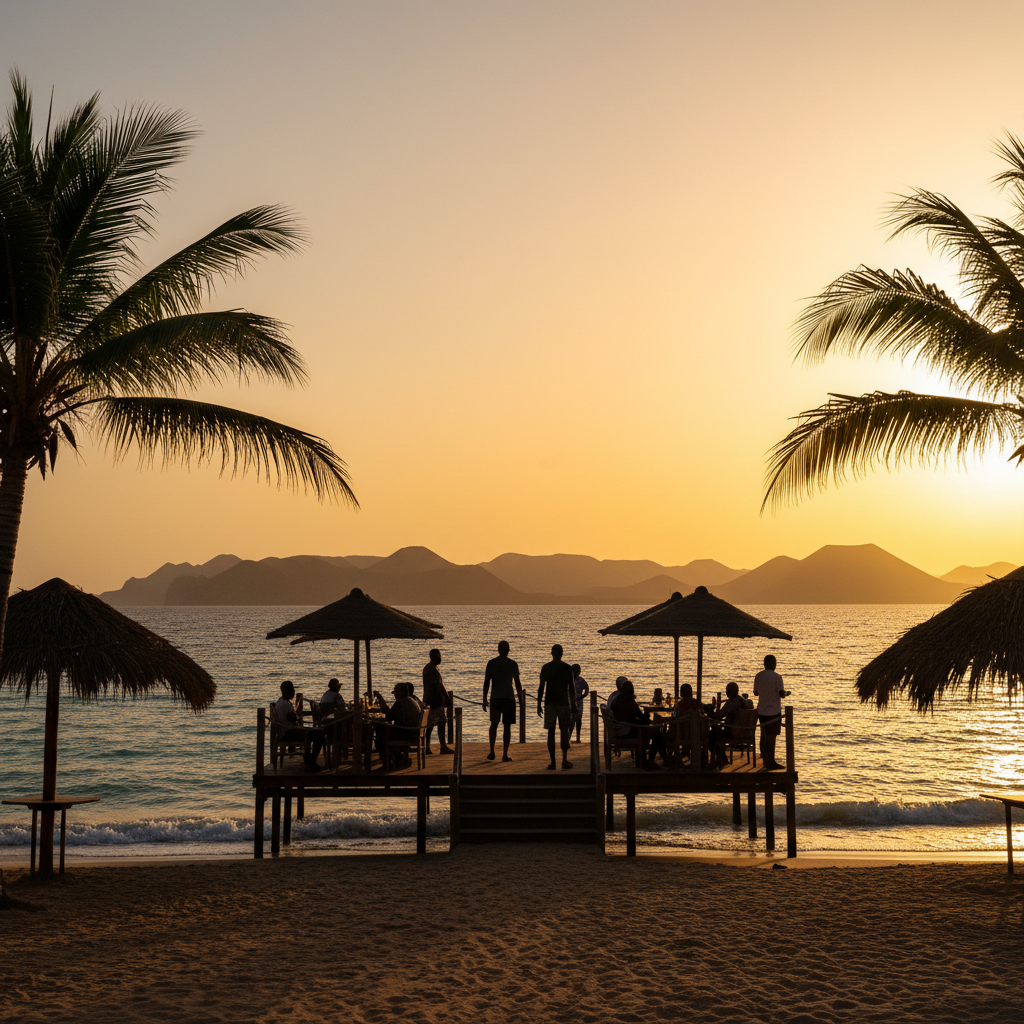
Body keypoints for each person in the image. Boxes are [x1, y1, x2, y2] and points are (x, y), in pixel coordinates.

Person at [612, 679, 668, 768]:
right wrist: (646, 715)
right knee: (657, 734)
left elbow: (633, 718)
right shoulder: (629, 701)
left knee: (654, 731)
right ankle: (651, 761)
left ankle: (660, 759)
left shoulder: (617, 700)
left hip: (621, 730)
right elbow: (640, 717)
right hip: (630, 731)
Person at [537, 644, 577, 770]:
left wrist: (538, 704)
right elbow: (571, 688)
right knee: (564, 731)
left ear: (552, 653)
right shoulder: (567, 668)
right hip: (564, 703)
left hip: (549, 703)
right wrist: (574, 704)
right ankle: (564, 760)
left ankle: (553, 762)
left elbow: (541, 687)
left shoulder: (546, 667)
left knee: (551, 732)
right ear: (562, 653)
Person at [271, 680, 324, 773]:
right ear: (291, 692)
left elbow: (289, 717)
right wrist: (298, 718)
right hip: (290, 733)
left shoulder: (279, 701)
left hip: (284, 731)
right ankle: (311, 761)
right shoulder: (287, 704)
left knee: (312, 733)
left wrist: (296, 717)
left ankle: (309, 760)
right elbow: (292, 719)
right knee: (319, 735)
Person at [483, 640, 523, 762]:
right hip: (508, 699)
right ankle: (505, 754)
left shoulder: (491, 663)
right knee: (507, 727)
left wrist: (484, 698)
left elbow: (486, 682)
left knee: (494, 724)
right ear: (508, 651)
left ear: (498, 650)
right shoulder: (512, 664)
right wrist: (521, 700)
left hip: (495, 698)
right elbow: (517, 683)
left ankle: (492, 750)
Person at [372, 683, 422, 767]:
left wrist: (380, 699)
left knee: (380, 732)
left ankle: (387, 762)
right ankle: (398, 756)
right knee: (383, 730)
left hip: (406, 734)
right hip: (413, 732)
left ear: (400, 693)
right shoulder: (411, 700)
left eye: (395, 692)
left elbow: (389, 716)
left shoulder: (401, 702)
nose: (394, 695)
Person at [754, 654, 789, 771]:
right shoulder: (777, 677)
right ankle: (771, 761)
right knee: (772, 737)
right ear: (774, 664)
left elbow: (756, 693)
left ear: (764, 664)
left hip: (762, 710)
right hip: (774, 711)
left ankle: (765, 758)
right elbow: (781, 694)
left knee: (764, 734)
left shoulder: (758, 676)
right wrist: (786, 694)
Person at [421, 648, 453, 756]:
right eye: (438, 656)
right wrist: (447, 697)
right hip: (435, 701)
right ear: (433, 657)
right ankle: (442, 746)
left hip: (428, 700)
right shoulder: (432, 670)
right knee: (440, 723)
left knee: (430, 725)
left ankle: (427, 747)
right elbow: (439, 685)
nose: (440, 658)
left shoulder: (428, 668)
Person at [570, 664, 590, 744]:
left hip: (579, 703)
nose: (577, 673)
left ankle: (578, 738)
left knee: (578, 720)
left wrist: (582, 697)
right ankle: (568, 737)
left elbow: (587, 690)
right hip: (570, 702)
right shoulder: (569, 680)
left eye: (578, 671)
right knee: (571, 721)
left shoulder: (581, 680)